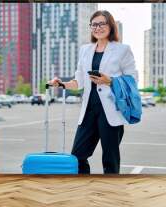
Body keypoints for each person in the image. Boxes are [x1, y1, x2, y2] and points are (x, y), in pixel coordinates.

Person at [48, 10, 138, 174]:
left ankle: (110, 193)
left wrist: (109, 81)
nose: (98, 27)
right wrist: (61, 84)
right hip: (89, 110)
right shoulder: (85, 50)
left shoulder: (122, 50)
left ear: (110, 26)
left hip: (111, 111)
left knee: (110, 159)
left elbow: (133, 79)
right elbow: (79, 81)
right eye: (94, 24)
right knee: (77, 156)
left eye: (102, 23)